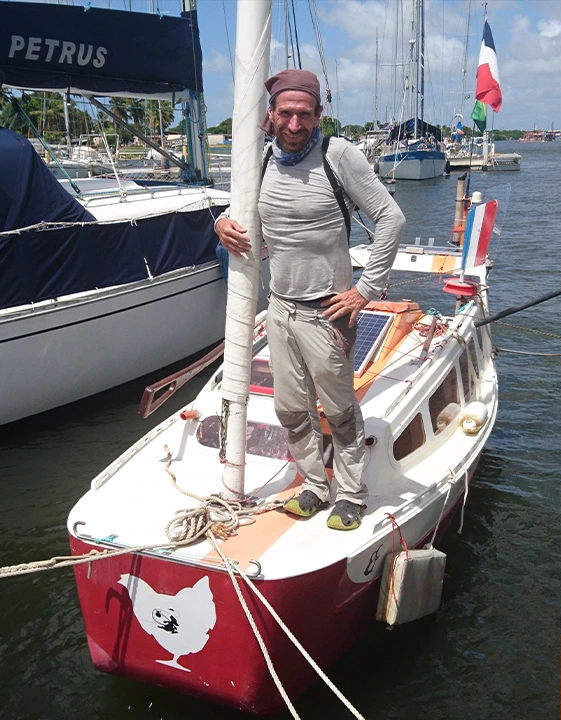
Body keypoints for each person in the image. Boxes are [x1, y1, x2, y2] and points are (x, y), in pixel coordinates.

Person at [215, 69, 405, 531]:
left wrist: (365, 289)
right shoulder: (258, 161)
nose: (294, 124)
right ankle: (316, 486)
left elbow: (391, 219)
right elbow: (241, 214)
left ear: (319, 115)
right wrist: (220, 222)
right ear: (270, 116)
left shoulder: (337, 155)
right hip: (279, 306)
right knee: (291, 408)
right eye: (286, 113)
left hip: (328, 311)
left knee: (339, 410)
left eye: (305, 114)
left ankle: (353, 495)